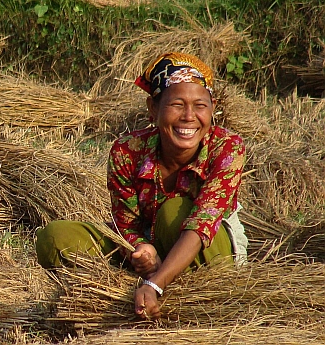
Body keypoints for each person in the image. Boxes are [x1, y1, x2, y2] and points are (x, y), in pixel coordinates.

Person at [34, 52, 247, 319]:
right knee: (55, 237)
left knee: (174, 211)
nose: (189, 117)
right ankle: (138, 285)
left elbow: (202, 224)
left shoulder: (227, 147)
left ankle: (169, 288)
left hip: (208, 248)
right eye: (177, 104)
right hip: (150, 245)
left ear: (212, 108)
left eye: (200, 106)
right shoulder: (127, 150)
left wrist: (154, 282)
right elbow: (126, 224)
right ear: (153, 109)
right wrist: (140, 249)